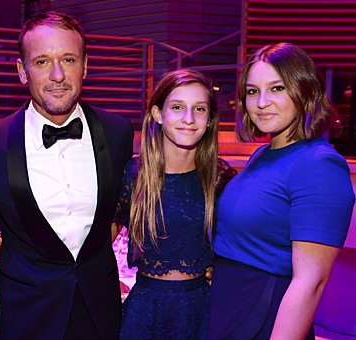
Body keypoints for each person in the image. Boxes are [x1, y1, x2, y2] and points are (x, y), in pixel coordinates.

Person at [0, 11, 134, 339]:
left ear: (85, 65)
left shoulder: (118, 133)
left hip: (99, 311)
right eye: (42, 61)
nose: (57, 74)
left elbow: (121, 210)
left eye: (68, 59)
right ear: (21, 71)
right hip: (28, 314)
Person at [209, 42, 355, 339]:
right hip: (227, 304)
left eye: (277, 88)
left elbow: (310, 283)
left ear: (304, 90)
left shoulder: (319, 164)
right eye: (252, 91)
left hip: (264, 311)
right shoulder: (262, 155)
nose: (262, 102)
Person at [112, 69, 235, 339]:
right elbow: (101, 241)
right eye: (177, 107)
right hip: (146, 309)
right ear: (158, 114)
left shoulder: (220, 177)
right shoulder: (135, 173)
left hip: (201, 308)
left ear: (209, 118)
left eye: (199, 109)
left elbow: (238, 242)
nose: (189, 119)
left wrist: (221, 270)